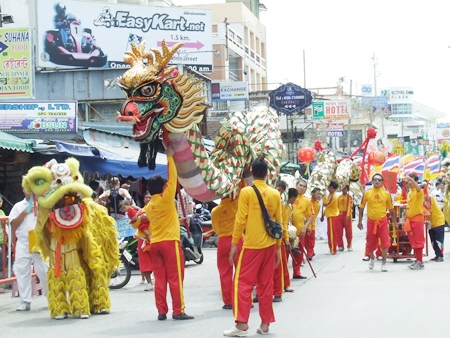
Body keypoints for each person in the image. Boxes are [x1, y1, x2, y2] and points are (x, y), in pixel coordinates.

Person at [223, 157, 282, 337]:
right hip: (270, 245)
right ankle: (265, 324)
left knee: (242, 283)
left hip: (252, 245)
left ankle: (241, 324)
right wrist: (278, 247)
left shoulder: (246, 192)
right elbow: (279, 222)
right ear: (267, 173)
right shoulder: (275, 193)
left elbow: (240, 219)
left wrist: (234, 243)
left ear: (251, 171)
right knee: (265, 285)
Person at [144, 146, 194, 321]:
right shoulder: (166, 200)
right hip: (170, 243)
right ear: (162, 187)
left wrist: (177, 221)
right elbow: (173, 177)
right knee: (175, 277)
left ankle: (161, 311)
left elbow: (159, 221)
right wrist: (170, 157)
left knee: (160, 279)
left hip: (156, 243)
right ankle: (178, 310)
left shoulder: (150, 207)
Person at [9, 188, 48, 311]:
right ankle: (25, 301)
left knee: (45, 270)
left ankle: (51, 298)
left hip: (38, 241)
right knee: (22, 271)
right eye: (26, 188)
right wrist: (25, 212)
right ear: (22, 190)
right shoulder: (18, 206)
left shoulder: (42, 204)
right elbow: (13, 223)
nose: (29, 191)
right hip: (23, 242)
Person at [357, 174, 397, 272]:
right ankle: (372, 257)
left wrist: (395, 222)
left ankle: (383, 263)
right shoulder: (367, 193)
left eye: (379, 180)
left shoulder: (386, 194)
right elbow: (361, 208)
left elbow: (391, 210)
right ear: (372, 181)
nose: (377, 182)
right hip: (371, 221)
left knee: (385, 242)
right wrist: (360, 221)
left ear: (382, 182)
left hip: (382, 221)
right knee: (370, 242)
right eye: (375, 180)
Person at [210, 196, 242, 310]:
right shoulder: (236, 205)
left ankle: (228, 301)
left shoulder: (215, 211)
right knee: (240, 272)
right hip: (237, 240)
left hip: (222, 241)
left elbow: (215, 228)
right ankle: (241, 298)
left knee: (224, 272)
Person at [120, 193, 153, 291]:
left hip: (156, 237)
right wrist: (139, 219)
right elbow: (135, 225)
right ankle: (149, 282)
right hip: (143, 239)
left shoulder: (155, 209)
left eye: (150, 197)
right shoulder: (142, 210)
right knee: (145, 263)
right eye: (146, 197)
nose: (148, 199)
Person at [290, 179, 313, 279]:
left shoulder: (307, 201)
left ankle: (297, 272)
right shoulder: (288, 196)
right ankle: (284, 278)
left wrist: (305, 227)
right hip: (288, 230)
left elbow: (311, 216)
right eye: (300, 185)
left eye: (304, 186)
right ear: (296, 185)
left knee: (298, 252)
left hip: (300, 231)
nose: (302, 187)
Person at [404, 174, 425, 270]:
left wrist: (411, 179)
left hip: (417, 219)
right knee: (413, 241)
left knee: (418, 241)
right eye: (407, 181)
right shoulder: (409, 193)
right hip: (410, 220)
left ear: (416, 181)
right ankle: (417, 260)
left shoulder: (418, 192)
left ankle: (420, 262)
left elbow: (419, 188)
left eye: (411, 181)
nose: (408, 183)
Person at [321, 181, 342, 254]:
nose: (329, 189)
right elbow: (327, 207)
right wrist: (323, 215)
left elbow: (326, 204)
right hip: (330, 215)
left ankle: (333, 249)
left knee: (332, 234)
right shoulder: (330, 194)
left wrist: (323, 196)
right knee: (330, 233)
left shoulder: (334, 196)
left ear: (334, 188)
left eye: (330, 187)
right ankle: (332, 248)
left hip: (333, 216)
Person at [427, 195, 445, 262]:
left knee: (438, 240)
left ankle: (440, 256)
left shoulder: (429, 198)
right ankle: (437, 255)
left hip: (438, 221)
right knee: (433, 241)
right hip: (431, 223)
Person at [306, 188, 322, 260]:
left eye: (320, 194)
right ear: (313, 194)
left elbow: (315, 215)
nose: (319, 195)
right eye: (317, 194)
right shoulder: (308, 202)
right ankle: (311, 251)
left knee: (311, 241)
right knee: (305, 241)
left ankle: (310, 253)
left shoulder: (318, 205)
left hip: (312, 225)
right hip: (305, 224)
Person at [338, 185, 353, 251]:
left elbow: (350, 206)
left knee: (348, 231)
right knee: (339, 231)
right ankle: (340, 245)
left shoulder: (349, 197)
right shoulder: (339, 197)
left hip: (347, 215)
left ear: (347, 189)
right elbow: (337, 206)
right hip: (339, 214)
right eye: (343, 188)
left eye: (345, 189)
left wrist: (348, 215)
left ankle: (349, 245)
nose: (344, 190)